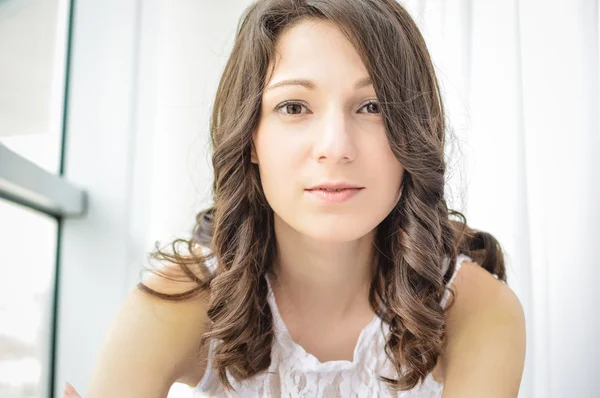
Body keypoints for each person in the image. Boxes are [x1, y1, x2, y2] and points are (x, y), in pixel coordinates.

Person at [63, 0, 526, 397]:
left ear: (415, 133)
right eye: (294, 107)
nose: (335, 146)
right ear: (250, 137)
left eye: (373, 107)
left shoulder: (477, 309)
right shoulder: (177, 300)